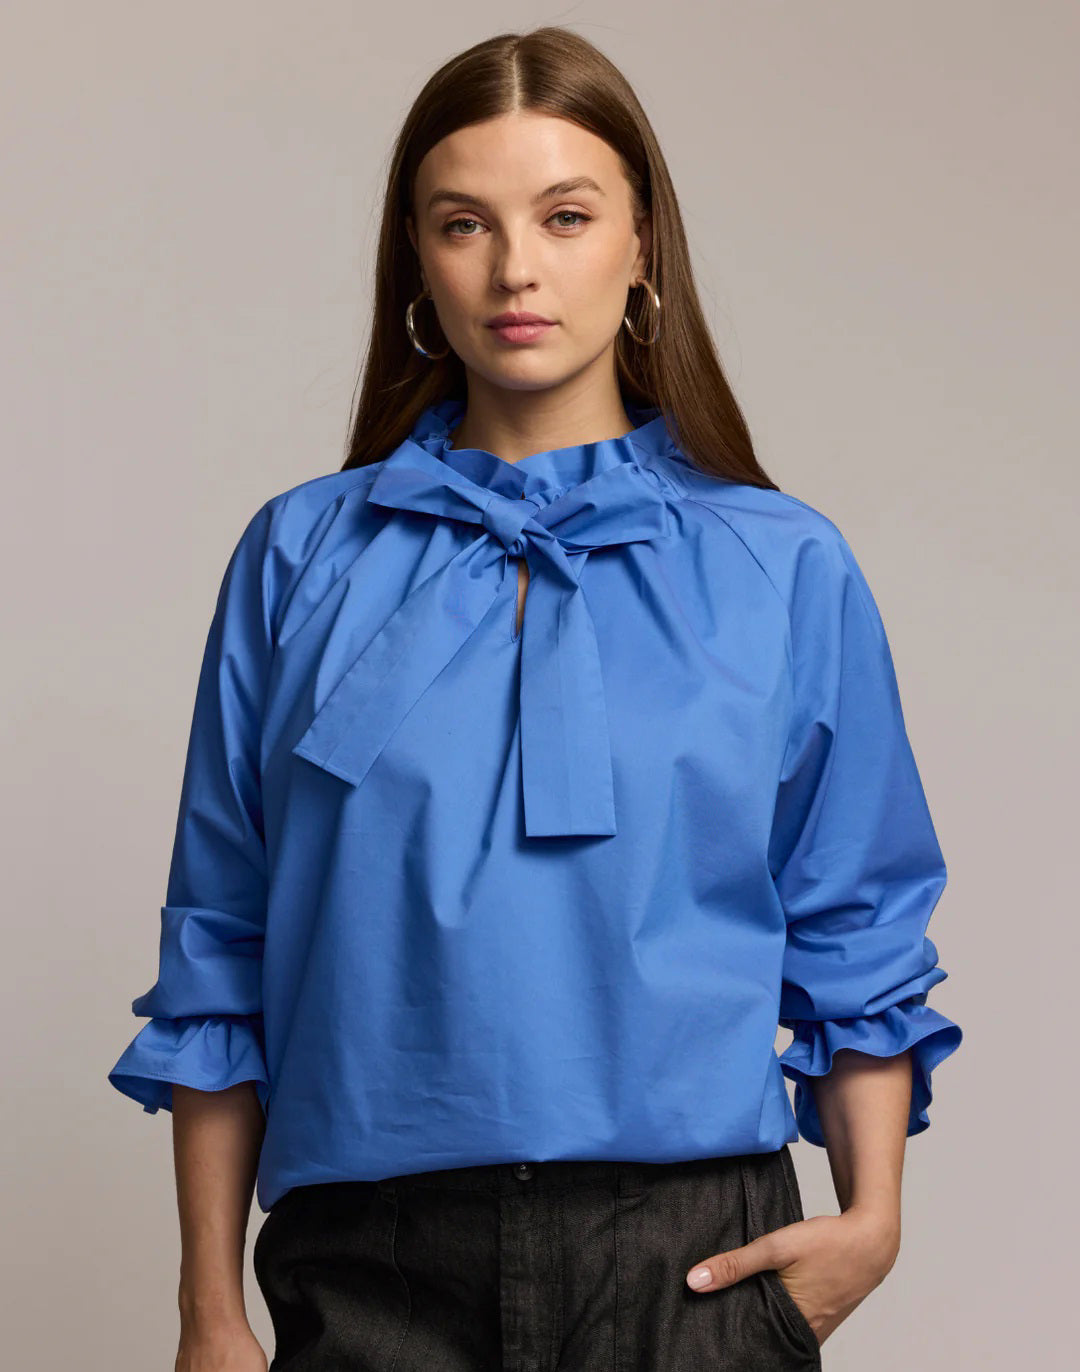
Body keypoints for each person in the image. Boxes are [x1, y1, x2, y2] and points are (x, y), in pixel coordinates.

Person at [107, 25, 962, 1372]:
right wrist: (208, 1309)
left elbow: (857, 918)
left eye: (566, 216)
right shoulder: (298, 556)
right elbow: (223, 933)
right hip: (367, 1260)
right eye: (464, 224)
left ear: (640, 252)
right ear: (415, 264)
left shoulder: (782, 564)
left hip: (688, 1264)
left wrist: (871, 1225)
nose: (516, 269)